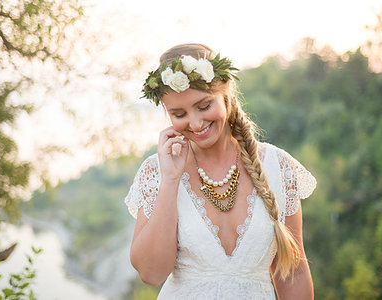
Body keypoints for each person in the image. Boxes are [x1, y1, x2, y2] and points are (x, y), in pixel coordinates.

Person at [124, 43, 316, 299]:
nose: (195, 123)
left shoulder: (279, 167)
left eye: (204, 106)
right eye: (178, 113)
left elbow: (293, 272)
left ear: (225, 93)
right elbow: (151, 274)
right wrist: (170, 180)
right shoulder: (156, 172)